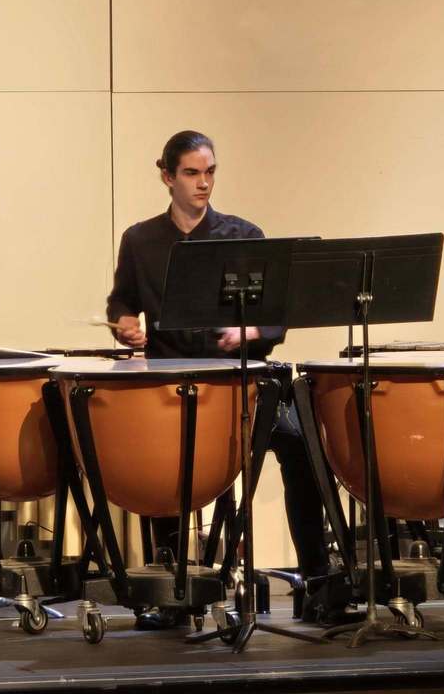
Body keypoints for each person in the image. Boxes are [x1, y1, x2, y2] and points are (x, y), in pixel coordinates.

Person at [106, 129, 330, 627]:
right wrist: (124, 325)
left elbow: (276, 316)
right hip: (170, 386)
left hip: (237, 384)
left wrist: (250, 331)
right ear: (167, 176)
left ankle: (317, 577)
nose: (203, 183)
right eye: (191, 173)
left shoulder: (243, 236)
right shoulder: (140, 240)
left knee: (300, 444)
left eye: (209, 172)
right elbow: (122, 300)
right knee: (158, 461)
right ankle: (171, 586)